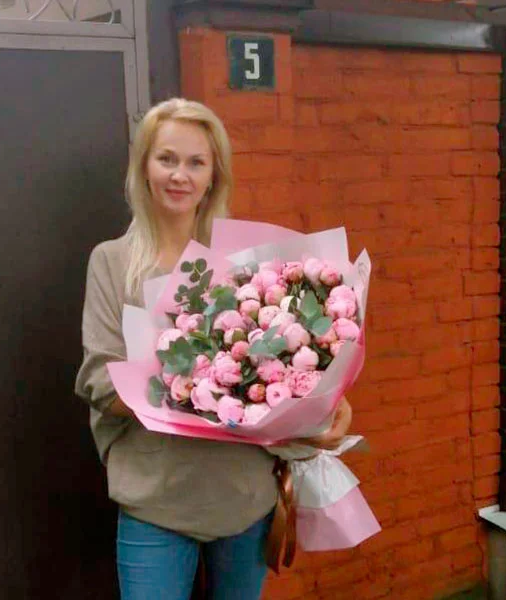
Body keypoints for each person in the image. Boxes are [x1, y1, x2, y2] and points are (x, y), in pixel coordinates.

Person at [75, 98, 352, 600]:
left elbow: (286, 364)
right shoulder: (112, 263)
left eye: (195, 162)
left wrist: (323, 404)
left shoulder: (245, 264)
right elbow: (99, 380)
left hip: (243, 494)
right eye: (166, 159)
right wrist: (193, 385)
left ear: (212, 176)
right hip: (155, 497)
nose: (179, 175)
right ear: (144, 166)